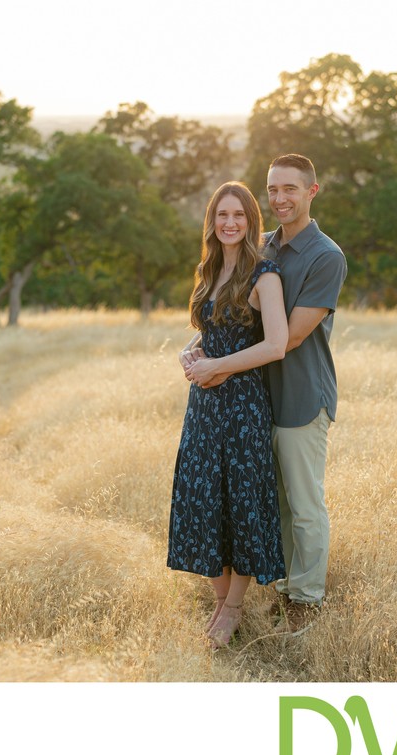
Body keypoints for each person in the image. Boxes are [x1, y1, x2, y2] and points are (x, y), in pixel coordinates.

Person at [168, 180, 288, 649]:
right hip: (203, 406)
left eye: (239, 215)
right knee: (204, 499)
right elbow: (212, 328)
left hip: (242, 407)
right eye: (222, 215)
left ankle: (234, 607)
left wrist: (217, 366)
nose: (230, 223)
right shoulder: (209, 269)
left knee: (240, 503)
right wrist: (190, 350)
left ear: (251, 220)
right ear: (212, 222)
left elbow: (275, 344)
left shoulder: (266, 276)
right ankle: (220, 601)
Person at [261, 154, 347, 632]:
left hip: (300, 396)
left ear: (312, 191)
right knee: (276, 500)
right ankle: (286, 589)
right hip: (260, 396)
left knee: (305, 503)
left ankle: (308, 599)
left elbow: (290, 338)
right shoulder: (261, 248)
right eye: (273, 189)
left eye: (290, 189)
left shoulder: (326, 257)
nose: (279, 199)